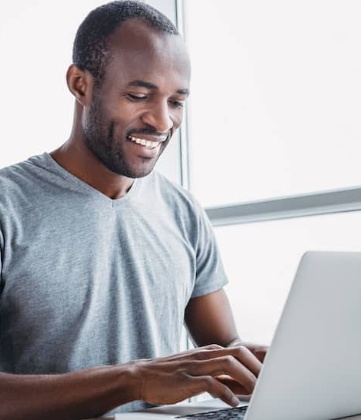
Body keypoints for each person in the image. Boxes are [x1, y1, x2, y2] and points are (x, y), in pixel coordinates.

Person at [0, 1, 268, 418]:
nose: (162, 122)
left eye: (177, 101)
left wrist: (268, 366)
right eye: (139, 95)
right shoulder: (8, 208)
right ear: (80, 84)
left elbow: (223, 346)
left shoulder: (182, 210)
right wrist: (135, 379)